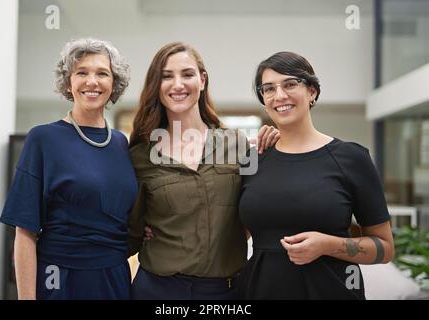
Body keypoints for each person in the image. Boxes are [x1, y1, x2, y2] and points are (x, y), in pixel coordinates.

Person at [127, 41, 279, 300]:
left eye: (187, 74)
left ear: (202, 80)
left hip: (225, 292)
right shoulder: (140, 157)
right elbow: (129, 228)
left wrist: (278, 145)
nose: (177, 85)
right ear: (157, 86)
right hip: (157, 290)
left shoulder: (237, 145)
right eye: (166, 77)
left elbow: (256, 210)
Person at [238, 51, 395, 299]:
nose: (279, 96)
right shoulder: (252, 161)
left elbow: (384, 249)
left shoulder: (351, 159)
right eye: (269, 89)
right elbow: (235, 234)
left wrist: (327, 245)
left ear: (312, 91)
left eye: (290, 84)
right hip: (259, 291)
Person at [0, 38, 138, 299]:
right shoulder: (43, 139)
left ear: (114, 83)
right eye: (82, 72)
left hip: (115, 280)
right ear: (68, 82)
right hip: (61, 280)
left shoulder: (121, 143)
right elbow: (24, 231)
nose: (92, 81)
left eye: (102, 73)